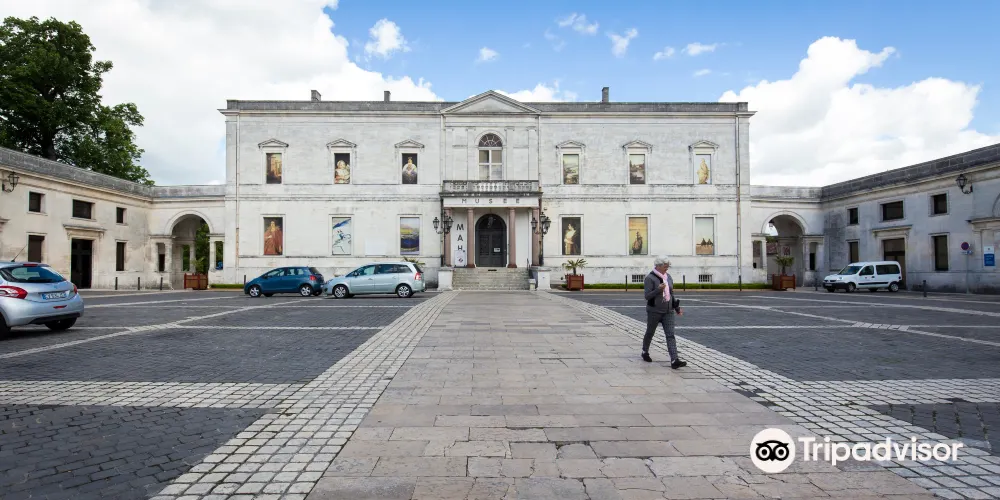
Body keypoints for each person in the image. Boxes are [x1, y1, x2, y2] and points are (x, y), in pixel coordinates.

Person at [642, 256, 686, 368]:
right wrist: (658, 289)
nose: (667, 268)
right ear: (658, 266)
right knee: (650, 333)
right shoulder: (650, 278)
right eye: (665, 266)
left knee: (670, 335)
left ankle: (674, 360)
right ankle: (645, 351)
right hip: (654, 311)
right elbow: (647, 296)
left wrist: (676, 308)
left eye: (668, 266)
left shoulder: (668, 277)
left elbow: (671, 293)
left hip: (668, 311)